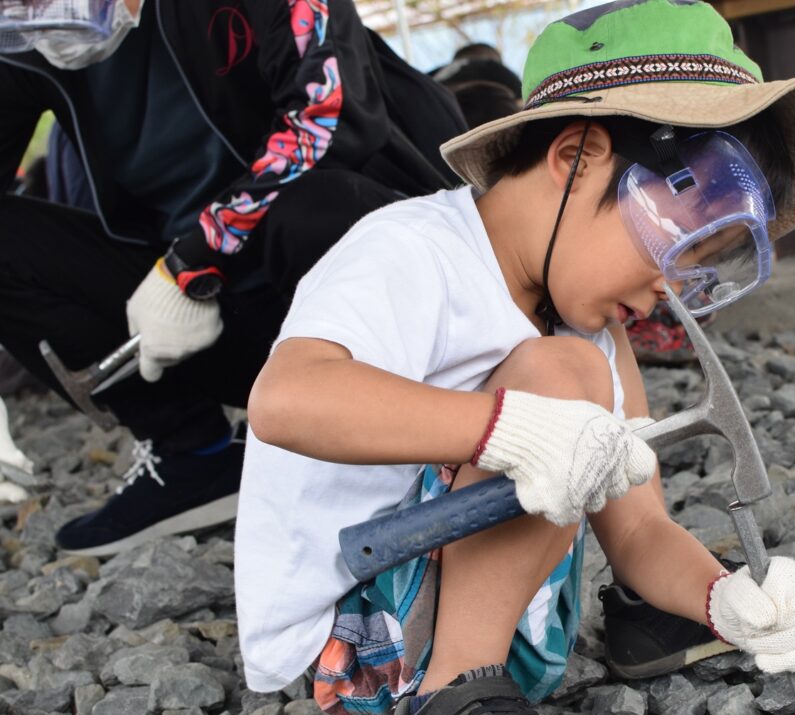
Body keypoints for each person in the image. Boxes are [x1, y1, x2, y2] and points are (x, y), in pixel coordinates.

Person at [236, 0, 795, 715]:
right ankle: (447, 713)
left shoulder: (594, 336)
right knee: (563, 386)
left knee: (578, 401)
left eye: (697, 265)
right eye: (672, 246)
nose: (669, 290)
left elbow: (638, 528)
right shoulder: (410, 251)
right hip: (355, 648)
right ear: (576, 154)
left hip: (516, 642)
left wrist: (724, 600)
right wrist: (513, 429)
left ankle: (637, 628)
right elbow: (285, 399)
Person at [0, 0, 466, 556]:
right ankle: (194, 456)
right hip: (206, 323)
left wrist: (192, 264)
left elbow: (329, 118)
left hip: (348, 277)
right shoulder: (27, 40)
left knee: (315, 208)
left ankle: (427, 438)